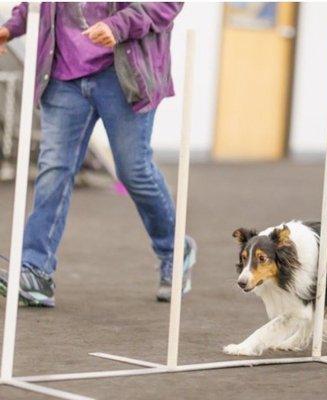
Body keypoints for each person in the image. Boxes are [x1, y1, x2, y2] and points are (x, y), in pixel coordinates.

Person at [0, 2, 196, 307]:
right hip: (63, 73)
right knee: (54, 169)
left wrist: (117, 26)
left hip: (123, 73)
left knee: (134, 171)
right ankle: (36, 269)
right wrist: (11, 27)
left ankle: (174, 250)